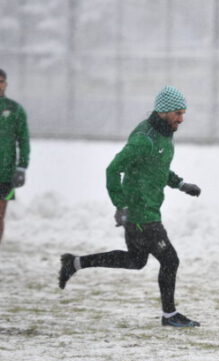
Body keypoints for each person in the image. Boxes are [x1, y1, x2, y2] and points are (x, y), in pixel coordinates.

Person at [58, 86, 202, 328]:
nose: (182, 118)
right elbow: (113, 169)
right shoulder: (143, 139)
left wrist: (180, 184)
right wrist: (120, 205)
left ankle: (74, 263)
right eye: (178, 113)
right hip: (140, 213)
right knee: (170, 261)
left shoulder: (165, 134)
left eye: (184, 112)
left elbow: (157, 166)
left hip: (148, 209)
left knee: (136, 261)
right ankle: (170, 315)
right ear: (163, 112)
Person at [0, 68, 30, 245]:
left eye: (1, 81)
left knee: (0, 214)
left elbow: (23, 140)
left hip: (5, 172)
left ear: (6, 84)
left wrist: (22, 167)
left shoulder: (14, 109)